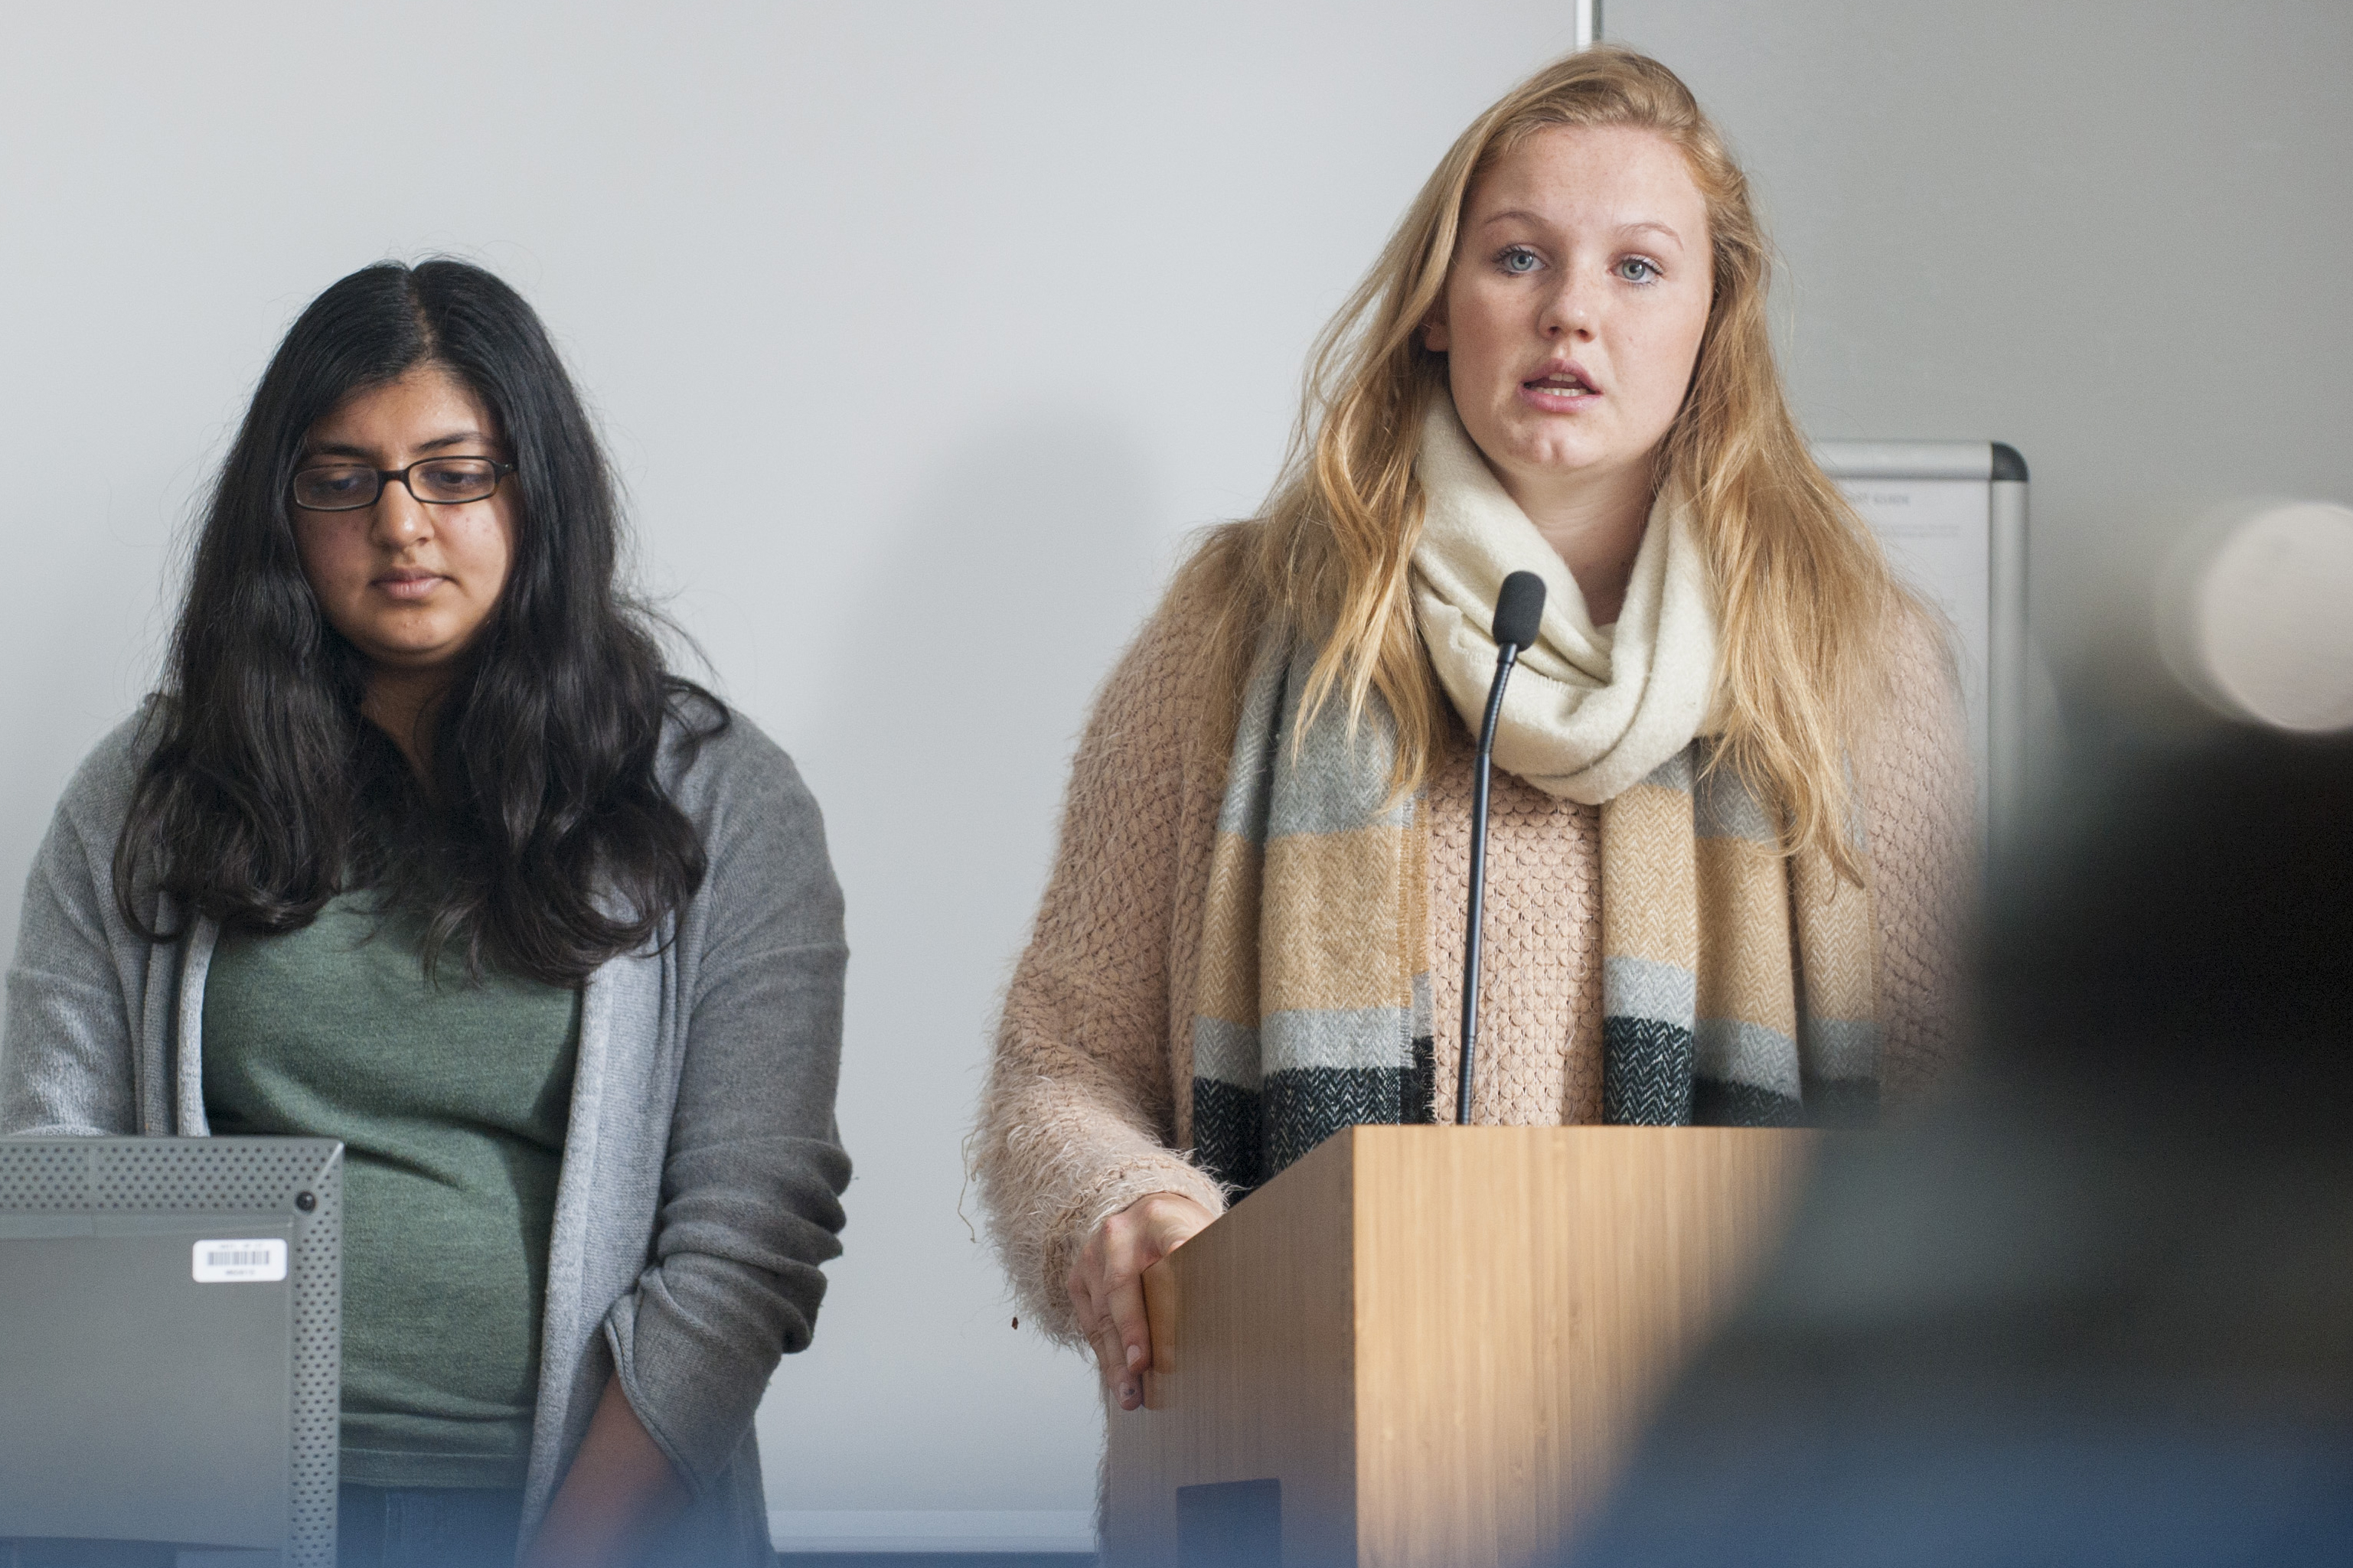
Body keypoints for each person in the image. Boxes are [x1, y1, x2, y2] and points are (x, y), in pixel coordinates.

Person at [973, 47, 1973, 1413]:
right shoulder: (1232, 626)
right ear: (1439, 302)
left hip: (1722, 1468)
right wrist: (1122, 1202)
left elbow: (1949, 1126)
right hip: (1316, 1443)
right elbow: (1060, 1063)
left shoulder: (1852, 654)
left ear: (1710, 319)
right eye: (1517, 258)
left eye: (1636, 268)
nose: (1572, 314)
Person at [0, 259, 849, 1567]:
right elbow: (56, 1181)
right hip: (215, 1529)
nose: (401, 524)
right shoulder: (146, 796)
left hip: (587, 1524)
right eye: (342, 479)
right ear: (279, 516)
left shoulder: (719, 801)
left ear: (538, 488)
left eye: (456, 472)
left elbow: (750, 1234)